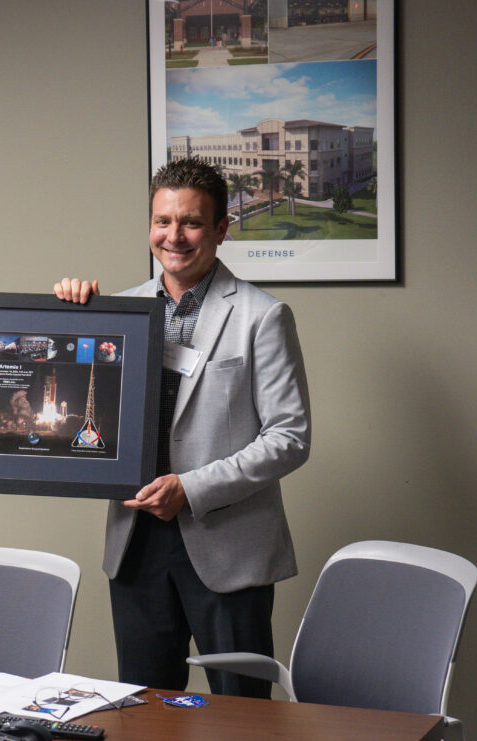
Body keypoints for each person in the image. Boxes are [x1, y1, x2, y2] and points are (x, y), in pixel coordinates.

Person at [55, 158, 311, 697]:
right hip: (135, 542)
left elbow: (289, 437)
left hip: (227, 543)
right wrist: (67, 316)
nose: (174, 236)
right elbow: (71, 407)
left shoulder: (263, 316)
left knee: (240, 715)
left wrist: (189, 489)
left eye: (191, 222)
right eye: (162, 221)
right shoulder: (114, 311)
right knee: (144, 706)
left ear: (221, 229)